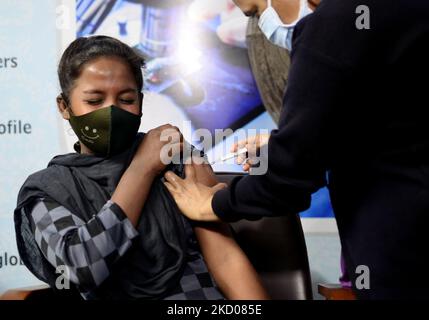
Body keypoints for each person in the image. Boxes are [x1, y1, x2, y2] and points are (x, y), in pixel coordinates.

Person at [164, 0, 429, 299]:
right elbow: (388, 122)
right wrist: (294, 140)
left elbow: (287, 181)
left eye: (255, 13)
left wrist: (214, 204)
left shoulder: (335, 25)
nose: (262, 27)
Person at [14, 36, 269, 300]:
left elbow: (225, 259)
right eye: (94, 101)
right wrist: (143, 168)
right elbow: (82, 266)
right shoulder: (50, 189)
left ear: (141, 103)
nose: (111, 111)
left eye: (126, 99)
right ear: (64, 106)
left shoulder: (175, 156)